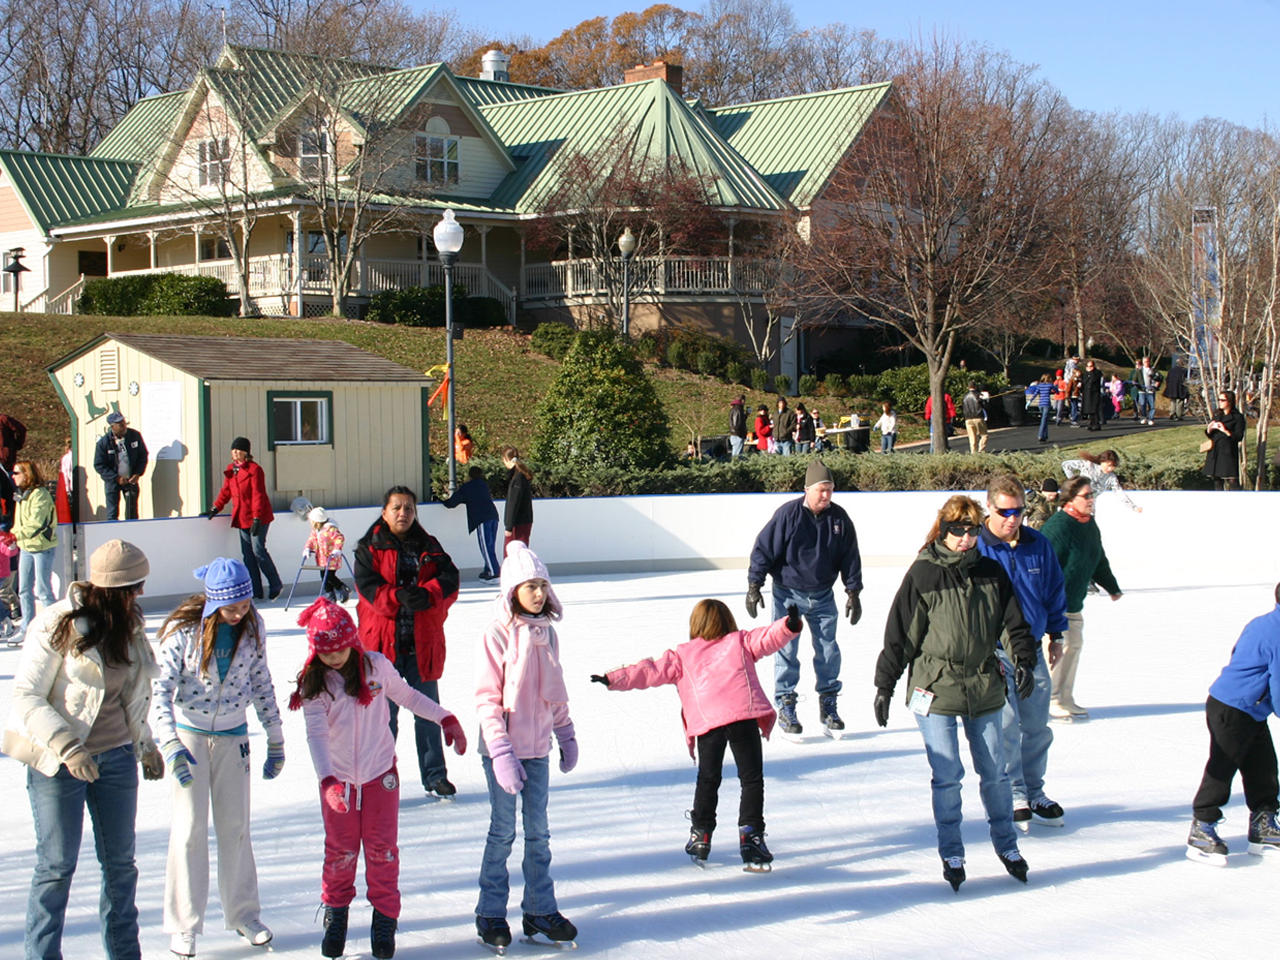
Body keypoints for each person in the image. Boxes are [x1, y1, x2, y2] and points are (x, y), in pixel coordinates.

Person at [3, 539, 164, 960]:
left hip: (116, 758)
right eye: (135, 587)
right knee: (56, 867)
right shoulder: (55, 624)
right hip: (57, 764)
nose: (142, 594)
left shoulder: (127, 624)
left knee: (120, 868)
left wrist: (144, 744)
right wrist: (68, 747)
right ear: (113, 589)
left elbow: (133, 694)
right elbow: (25, 696)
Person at [874, 494, 1036, 891]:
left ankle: (1007, 845)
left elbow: (1013, 624)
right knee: (947, 775)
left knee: (995, 773)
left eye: (972, 531)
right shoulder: (924, 574)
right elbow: (900, 635)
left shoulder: (990, 572)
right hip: (934, 687)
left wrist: (1024, 661)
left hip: (983, 685)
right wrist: (885, 684)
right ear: (944, 531)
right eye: (958, 531)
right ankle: (952, 849)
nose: (966, 539)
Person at [291, 597, 466, 960]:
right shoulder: (315, 685)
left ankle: (385, 920)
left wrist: (443, 717)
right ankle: (336, 915)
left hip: (380, 776)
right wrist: (327, 781)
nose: (335, 657)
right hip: (338, 783)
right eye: (326, 652)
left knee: (383, 851)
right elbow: (317, 735)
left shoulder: (376, 667)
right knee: (339, 852)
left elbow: (409, 697)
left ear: (352, 641)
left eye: (340, 648)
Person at [593, 600, 801, 870]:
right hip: (743, 717)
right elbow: (768, 637)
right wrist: (790, 624)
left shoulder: (683, 655)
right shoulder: (741, 642)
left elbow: (649, 670)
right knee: (751, 780)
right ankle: (751, 835)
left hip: (708, 723)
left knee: (708, 779)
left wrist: (614, 678)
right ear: (728, 620)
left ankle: (701, 834)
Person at [154, 558, 284, 957]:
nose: (240, 612)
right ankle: (183, 924)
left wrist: (275, 737)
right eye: (232, 607)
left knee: (235, 827)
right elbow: (158, 693)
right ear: (213, 603)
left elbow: (262, 682)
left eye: (245, 603)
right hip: (190, 739)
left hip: (234, 736)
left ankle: (244, 913)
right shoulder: (182, 634)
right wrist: (170, 744)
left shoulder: (253, 627)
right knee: (190, 829)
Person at [474, 542, 579, 951]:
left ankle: (538, 909)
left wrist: (565, 732)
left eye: (541, 585)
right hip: (502, 749)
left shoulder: (546, 634)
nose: (537, 593)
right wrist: (500, 752)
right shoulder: (496, 634)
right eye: (529, 586)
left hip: (537, 749)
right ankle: (490, 912)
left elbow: (554, 693)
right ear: (511, 590)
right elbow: (486, 699)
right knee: (503, 832)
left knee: (539, 833)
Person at [355, 485, 461, 799]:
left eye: (409, 508)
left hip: (421, 646)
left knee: (427, 712)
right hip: (381, 649)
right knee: (382, 717)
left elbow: (450, 578)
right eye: (397, 508)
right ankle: (378, 776)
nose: (403, 513)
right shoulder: (368, 547)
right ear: (385, 512)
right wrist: (398, 595)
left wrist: (428, 594)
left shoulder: (429, 545)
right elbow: (367, 588)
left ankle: (435, 776)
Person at [977, 476, 1069, 832]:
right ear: (990, 508)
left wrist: (1057, 633)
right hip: (993, 651)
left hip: (1030, 648)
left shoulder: (1037, 545)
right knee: (1006, 724)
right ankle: (1014, 790)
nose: (1013, 519)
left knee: (1036, 726)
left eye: (1019, 511)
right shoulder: (977, 546)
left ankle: (1035, 791)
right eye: (1005, 512)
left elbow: (1053, 591)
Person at [746, 459, 862, 737]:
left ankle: (828, 704)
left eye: (830, 489)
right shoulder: (788, 515)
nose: (826, 495)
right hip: (788, 595)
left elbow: (850, 557)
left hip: (823, 595)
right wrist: (754, 584)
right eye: (821, 489)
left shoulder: (839, 519)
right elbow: (763, 549)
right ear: (807, 488)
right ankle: (786, 703)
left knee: (828, 650)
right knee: (786, 652)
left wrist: (853, 591)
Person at [1185, 583, 1280, 865]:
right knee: (1223, 765)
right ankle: (1202, 827)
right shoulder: (1277, 631)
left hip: (1247, 706)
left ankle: (1263, 826)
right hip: (1233, 707)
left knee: (1262, 767)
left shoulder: (1265, 621)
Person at [1040, 476, 1122, 720]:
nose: (1091, 500)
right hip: (1054, 605)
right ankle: (1050, 700)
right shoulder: (1058, 527)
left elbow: (1097, 556)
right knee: (1061, 647)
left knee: (1074, 645)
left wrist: (1111, 586)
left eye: (1091, 495)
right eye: (1086, 496)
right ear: (1070, 499)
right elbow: (1042, 566)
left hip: (1073, 602)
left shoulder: (1088, 524)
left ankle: (1065, 697)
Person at [204, 438, 282, 602]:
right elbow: (226, 491)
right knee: (247, 554)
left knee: (258, 550)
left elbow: (258, 495)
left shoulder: (255, 470)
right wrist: (216, 507)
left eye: (239, 450)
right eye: (233, 450)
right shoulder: (231, 469)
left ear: (246, 452)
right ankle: (255, 589)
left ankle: (275, 584)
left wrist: (257, 518)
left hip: (258, 516)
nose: (235, 453)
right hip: (241, 516)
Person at [13, 459, 58, 644]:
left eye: (17, 473)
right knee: (24, 589)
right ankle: (27, 626)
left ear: (27, 474)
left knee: (43, 589)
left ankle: (55, 627)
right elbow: (19, 522)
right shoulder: (21, 495)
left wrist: (14, 535)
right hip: (26, 547)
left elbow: (37, 522)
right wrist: (15, 535)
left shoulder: (40, 494)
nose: (13, 476)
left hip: (42, 547)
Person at [442, 466, 501, 581]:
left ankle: (494, 572)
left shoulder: (468, 487)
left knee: (485, 546)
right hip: (493, 516)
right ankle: (487, 569)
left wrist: (443, 502)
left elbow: (453, 502)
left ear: (469, 476)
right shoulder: (483, 485)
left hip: (482, 518)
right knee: (490, 545)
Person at [93, 412, 148, 522]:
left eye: (125, 423)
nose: (124, 427)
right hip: (113, 482)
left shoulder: (135, 436)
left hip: (131, 480)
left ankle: (132, 533)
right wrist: (116, 478)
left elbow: (143, 455)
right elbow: (99, 465)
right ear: (112, 427)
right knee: (112, 512)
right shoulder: (104, 443)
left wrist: (138, 473)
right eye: (120, 425)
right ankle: (114, 533)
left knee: (132, 512)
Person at [1062, 450, 1142, 513]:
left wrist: (1134, 507)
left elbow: (1120, 493)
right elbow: (1066, 465)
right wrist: (1074, 481)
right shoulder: (1088, 465)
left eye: (1113, 466)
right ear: (1102, 461)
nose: (1110, 469)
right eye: (1109, 465)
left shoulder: (1111, 477)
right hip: (1075, 504)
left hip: (1090, 509)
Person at [1203, 389, 1247, 491]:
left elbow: (1239, 436)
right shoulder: (1217, 414)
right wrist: (1209, 429)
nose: (1220, 402)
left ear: (1229, 402)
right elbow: (1211, 435)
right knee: (1217, 481)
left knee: (1232, 481)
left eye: (1222, 400)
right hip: (1215, 451)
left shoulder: (1238, 417)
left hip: (1228, 452)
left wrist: (1225, 430)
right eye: (1219, 400)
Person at [305, 507, 350, 603]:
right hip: (321, 559)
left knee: (329, 576)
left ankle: (342, 588)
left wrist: (337, 549)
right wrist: (308, 548)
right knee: (323, 577)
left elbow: (339, 538)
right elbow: (311, 540)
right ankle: (330, 594)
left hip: (331, 558)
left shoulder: (330, 529)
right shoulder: (316, 531)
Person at [501, 446, 534, 549]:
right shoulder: (520, 476)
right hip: (523, 521)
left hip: (518, 523)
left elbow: (514, 503)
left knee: (514, 555)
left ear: (506, 459)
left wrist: (509, 526)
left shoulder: (518, 479)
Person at [1026, 375, 1053, 444]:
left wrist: (1030, 401)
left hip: (1040, 404)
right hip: (1046, 404)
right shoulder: (1049, 385)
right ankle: (1040, 435)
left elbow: (1035, 393)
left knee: (1045, 419)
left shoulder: (1039, 386)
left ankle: (1045, 436)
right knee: (1044, 420)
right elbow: (1056, 390)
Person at [963, 383, 989, 452]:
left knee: (972, 437)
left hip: (968, 418)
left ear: (968, 387)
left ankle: (973, 452)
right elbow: (984, 404)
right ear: (975, 387)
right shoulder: (978, 395)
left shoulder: (965, 396)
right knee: (984, 435)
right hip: (978, 416)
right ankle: (981, 450)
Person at [1133, 357, 1159, 424]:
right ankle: (1144, 417)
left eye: (1147, 361)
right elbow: (1134, 380)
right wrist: (1136, 385)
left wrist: (1157, 382)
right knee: (1142, 404)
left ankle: (1151, 419)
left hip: (1151, 390)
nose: (1146, 363)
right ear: (1143, 362)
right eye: (1144, 362)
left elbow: (1160, 377)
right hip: (1142, 391)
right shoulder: (1139, 370)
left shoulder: (1153, 370)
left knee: (1152, 406)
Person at [1080, 360, 1103, 431]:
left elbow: (1093, 379)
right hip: (1087, 393)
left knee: (1094, 409)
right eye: (1088, 366)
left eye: (1091, 366)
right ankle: (1091, 423)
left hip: (1094, 393)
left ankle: (1096, 424)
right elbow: (1084, 381)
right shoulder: (1086, 374)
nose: (1089, 368)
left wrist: (1091, 372)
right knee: (1089, 409)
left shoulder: (1097, 373)